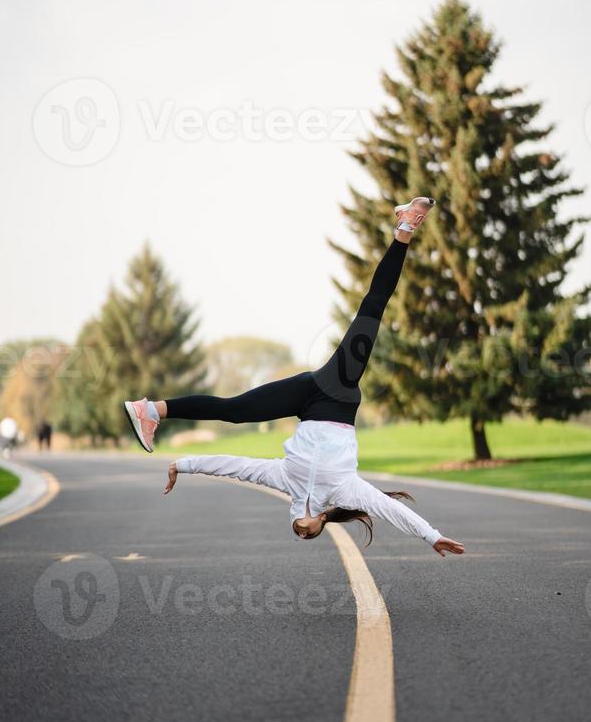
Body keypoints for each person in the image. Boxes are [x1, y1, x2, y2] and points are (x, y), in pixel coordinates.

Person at [124, 198, 464, 558]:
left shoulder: (282, 478)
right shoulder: (346, 493)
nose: (304, 534)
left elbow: (232, 467)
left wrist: (182, 465)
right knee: (373, 308)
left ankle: (152, 410)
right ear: (322, 522)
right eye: (312, 535)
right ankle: (406, 227)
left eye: (299, 536)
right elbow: (391, 509)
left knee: (234, 410)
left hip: (307, 397)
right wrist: (431, 536)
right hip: (336, 393)